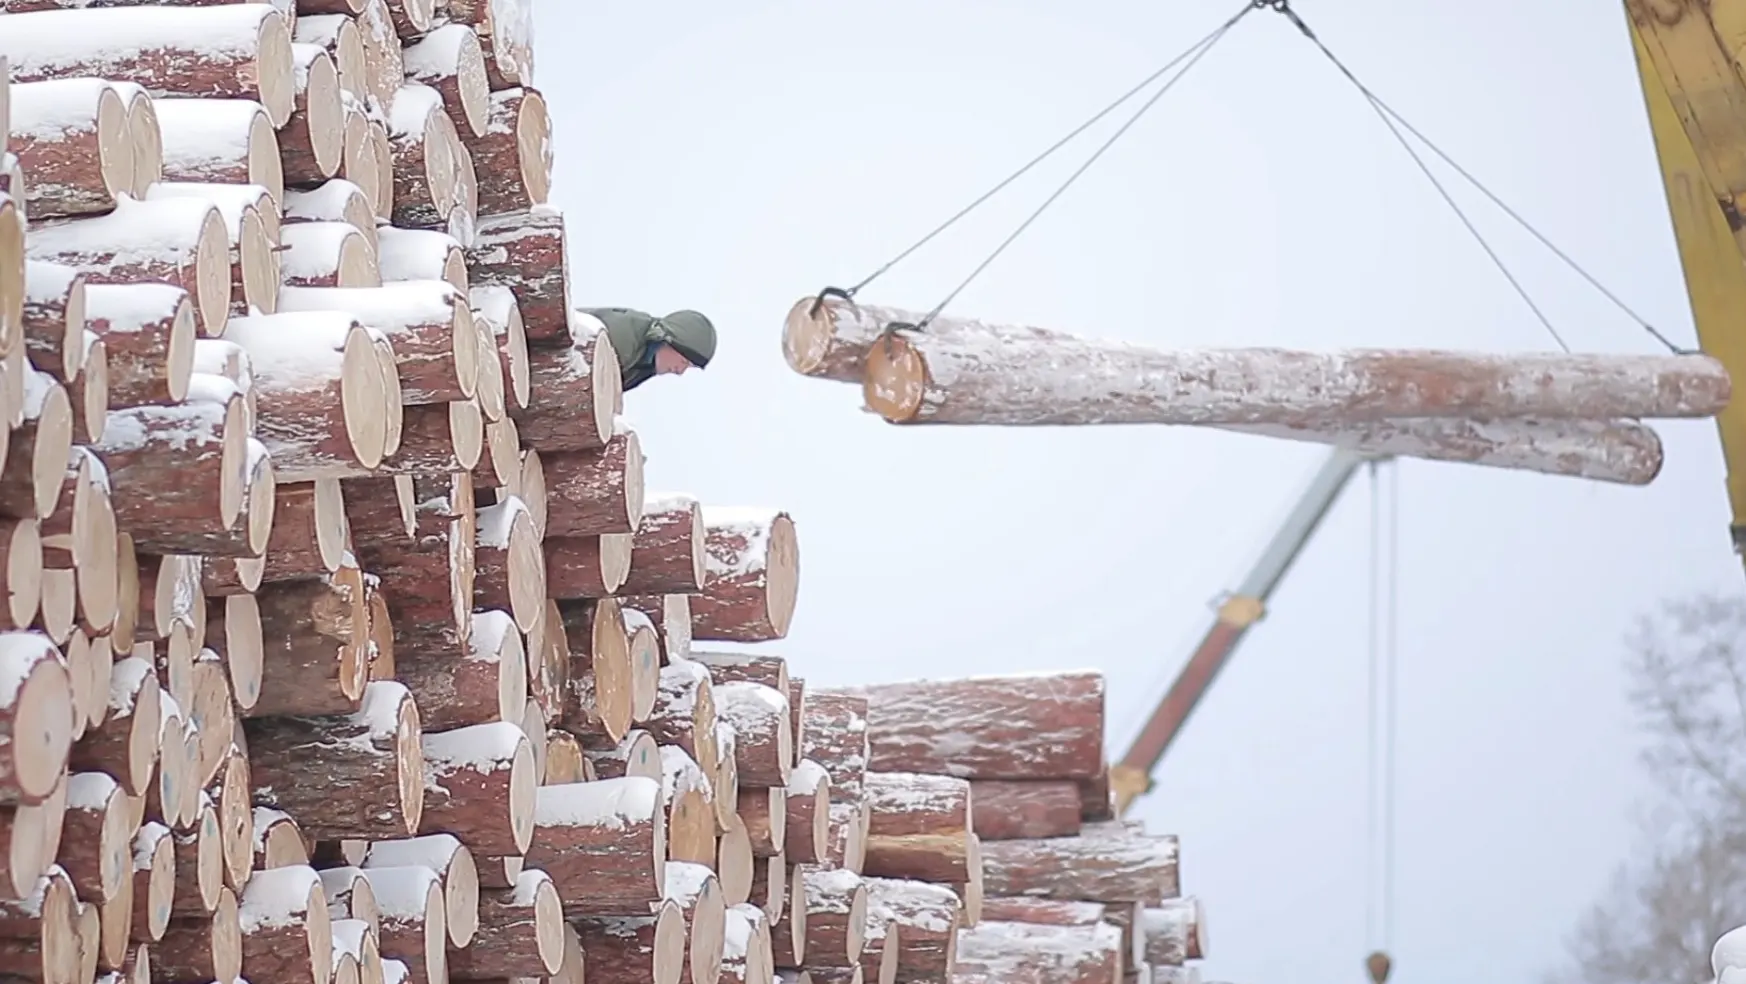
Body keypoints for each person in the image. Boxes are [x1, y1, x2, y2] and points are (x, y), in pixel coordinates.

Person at [584, 306, 718, 391]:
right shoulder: (622, 337)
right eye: (684, 362)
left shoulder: (645, 365)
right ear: (669, 342)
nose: (680, 372)